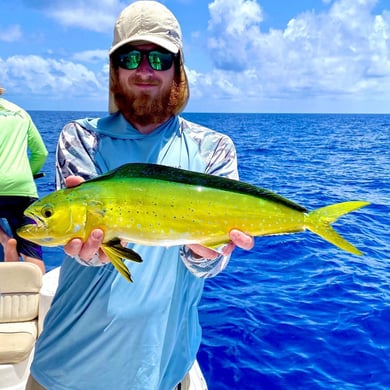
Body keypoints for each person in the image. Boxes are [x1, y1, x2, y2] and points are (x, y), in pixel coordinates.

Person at [27, 2, 254, 389]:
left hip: (164, 370)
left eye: (159, 58)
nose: (145, 70)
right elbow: (92, 254)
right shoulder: (81, 138)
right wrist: (93, 250)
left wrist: (206, 253)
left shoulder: (213, 148)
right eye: (130, 57)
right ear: (114, 69)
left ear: (177, 68)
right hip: (67, 371)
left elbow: (206, 268)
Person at [0, 87, 47, 273]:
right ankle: (37, 297)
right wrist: (29, 173)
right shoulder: (21, 113)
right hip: (23, 187)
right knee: (31, 251)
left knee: (8, 242)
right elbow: (41, 153)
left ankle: (4, 240)